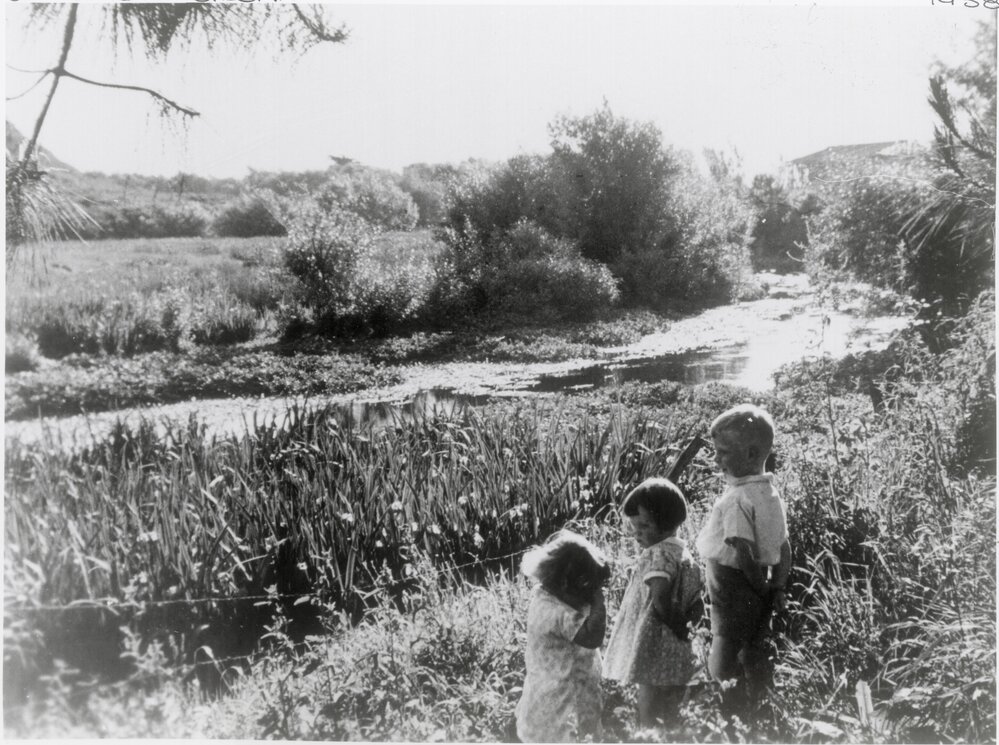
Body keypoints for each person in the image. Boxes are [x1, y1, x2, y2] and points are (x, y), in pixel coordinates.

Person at [695, 403, 791, 719]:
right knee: (755, 638)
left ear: (750, 455)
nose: (717, 459)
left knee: (724, 636)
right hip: (759, 577)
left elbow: (744, 552)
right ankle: (761, 692)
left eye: (722, 452)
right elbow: (784, 545)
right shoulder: (770, 494)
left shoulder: (737, 499)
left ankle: (724, 696)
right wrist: (776, 584)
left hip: (731, 578)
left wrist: (758, 586)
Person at [603, 477, 699, 730]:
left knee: (650, 686)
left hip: (658, 631)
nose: (637, 534)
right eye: (635, 527)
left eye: (644, 526)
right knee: (667, 683)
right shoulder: (679, 550)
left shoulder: (661, 552)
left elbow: (659, 597)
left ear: (667, 523)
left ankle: (647, 729)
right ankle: (664, 728)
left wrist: (677, 624)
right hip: (669, 632)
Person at [515, 530, 610, 743]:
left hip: (545, 695)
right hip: (563, 700)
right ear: (566, 583)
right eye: (586, 589)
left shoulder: (543, 598)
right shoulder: (558, 614)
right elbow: (592, 638)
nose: (587, 597)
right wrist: (598, 603)